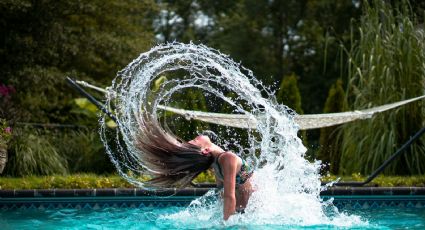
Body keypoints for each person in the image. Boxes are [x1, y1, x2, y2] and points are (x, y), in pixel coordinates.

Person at [135, 116, 253, 220]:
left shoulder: (217, 165)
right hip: (251, 210)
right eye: (194, 142)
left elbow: (223, 196)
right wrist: (227, 224)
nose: (193, 139)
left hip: (244, 210)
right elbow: (228, 196)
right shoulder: (227, 158)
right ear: (205, 151)